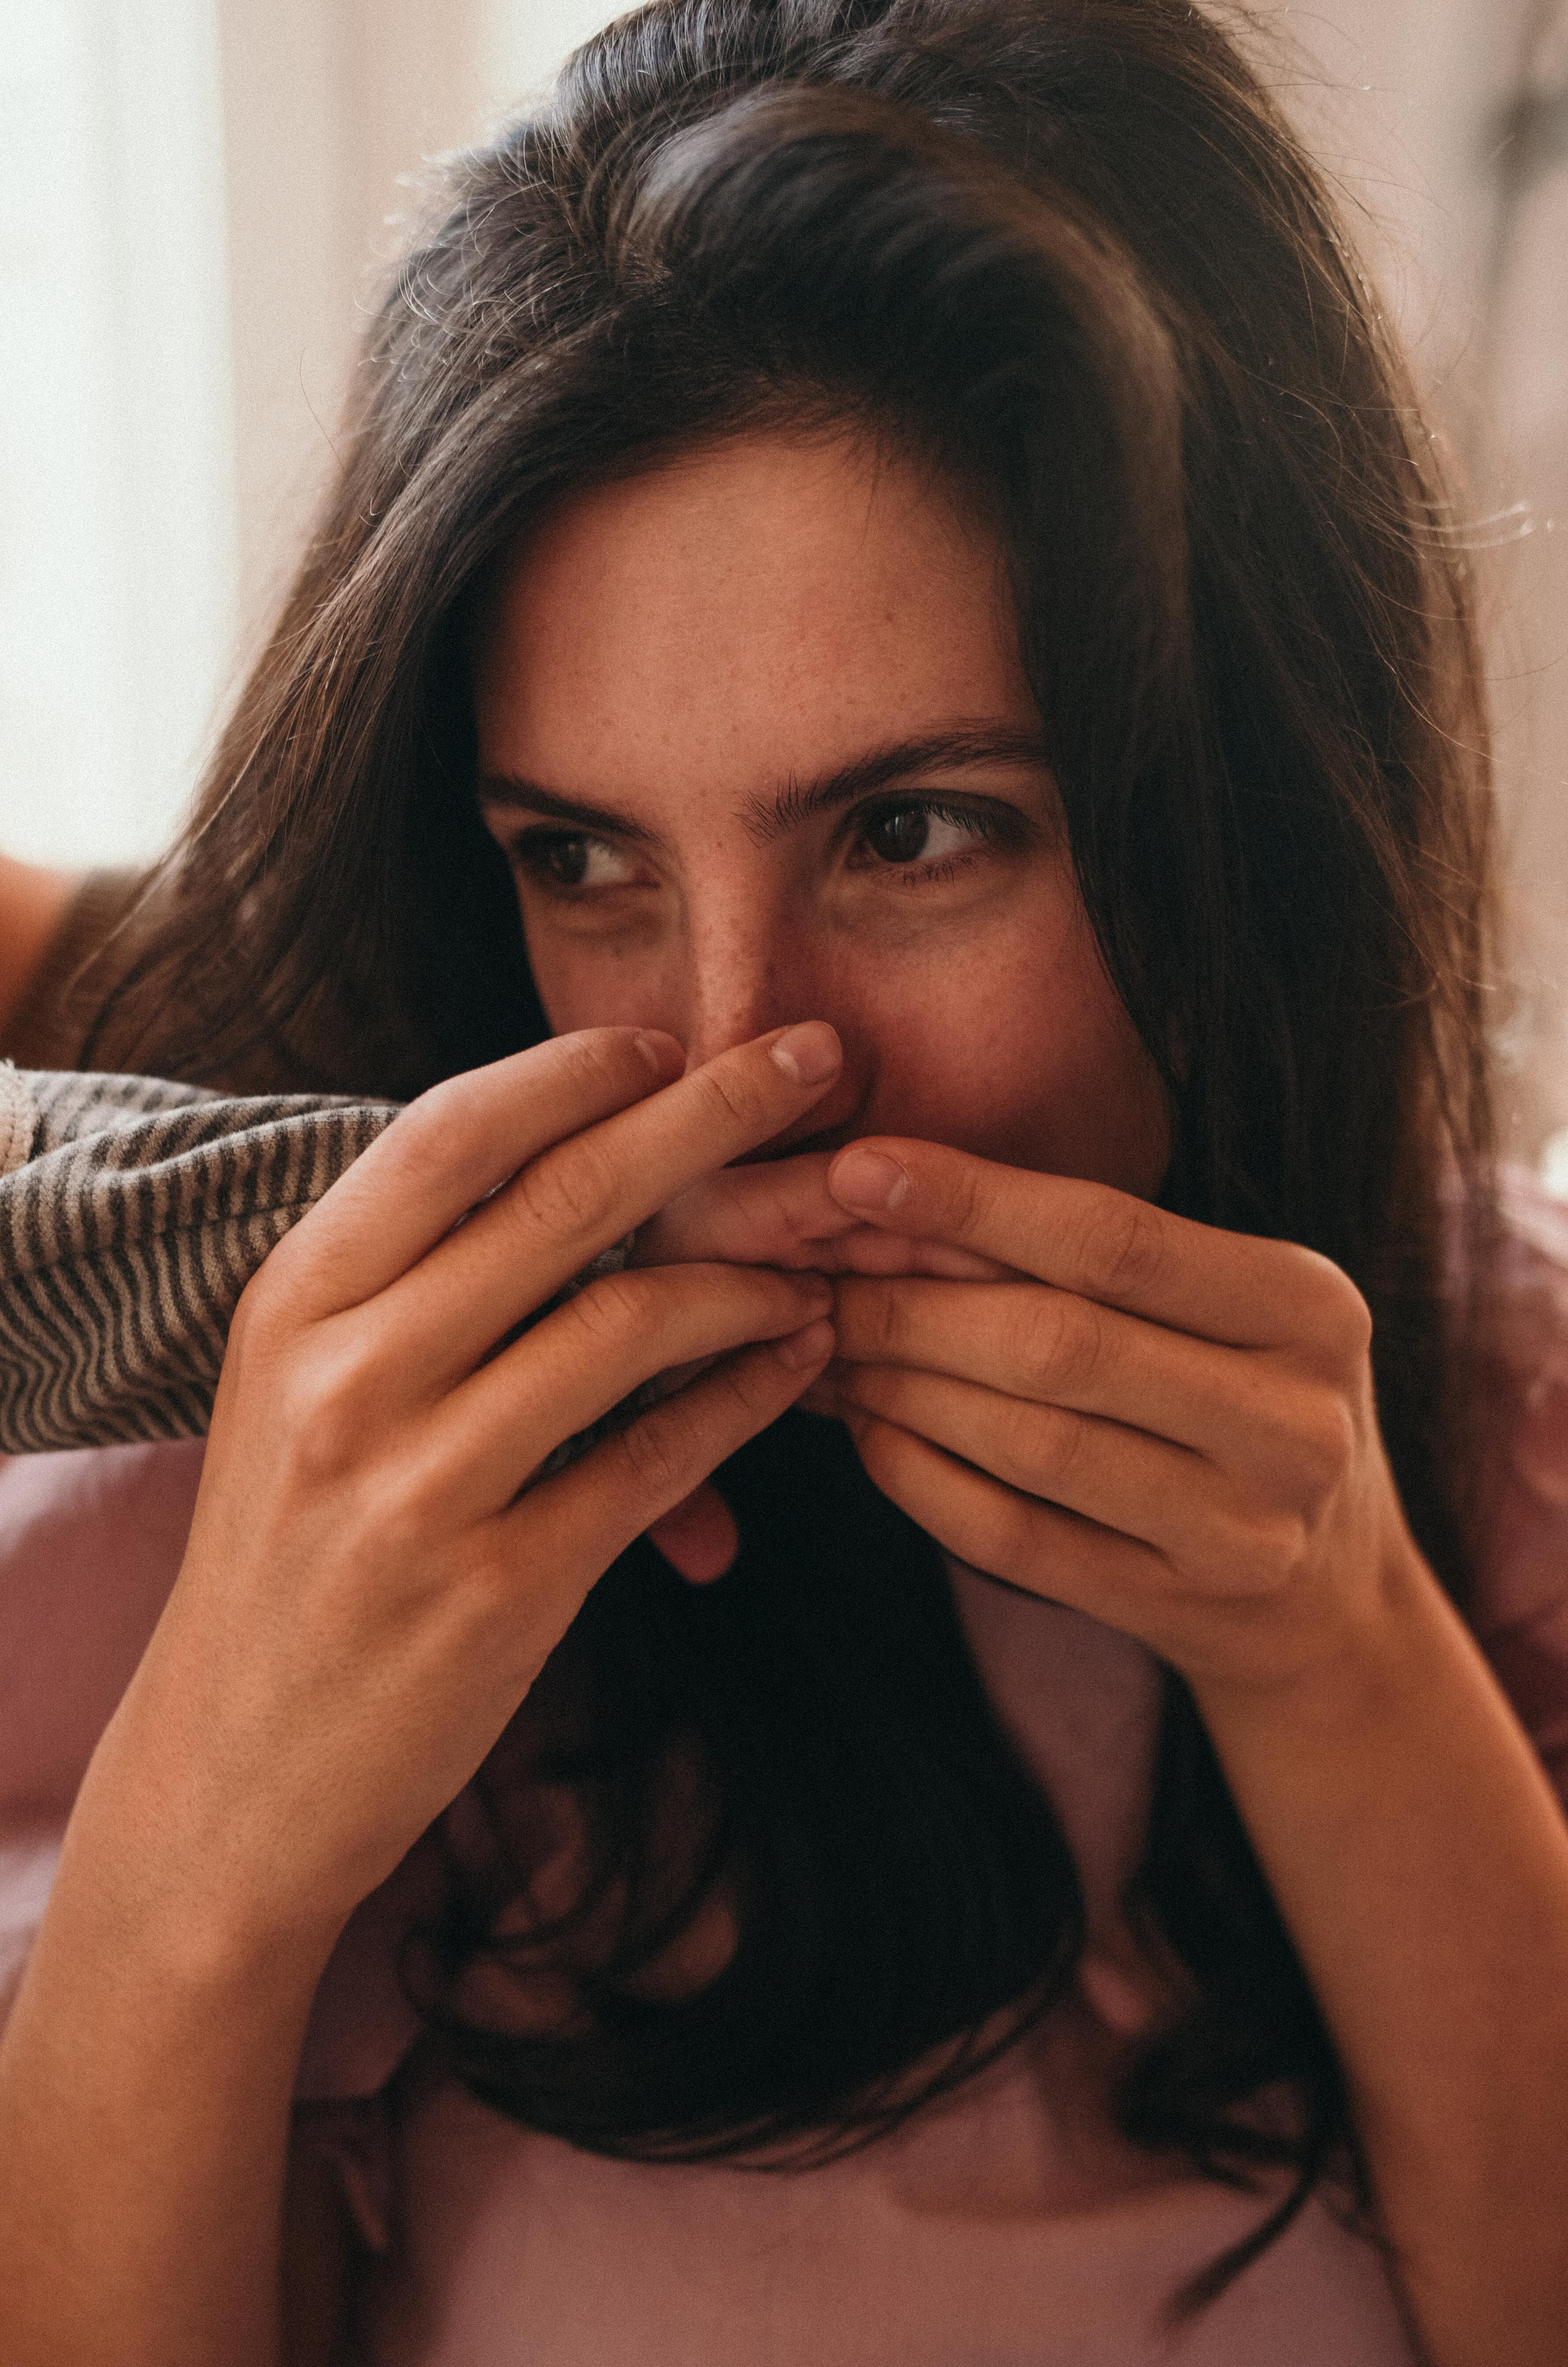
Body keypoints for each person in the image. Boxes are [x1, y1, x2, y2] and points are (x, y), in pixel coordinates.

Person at [2, 1, 1567, 2360]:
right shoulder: (328, 1512)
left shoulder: (1511, 1426)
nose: (742, 1068)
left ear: (1242, 827)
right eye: (584, 856)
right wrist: (198, 1864)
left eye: (913, 831)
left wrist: (1346, 1654)